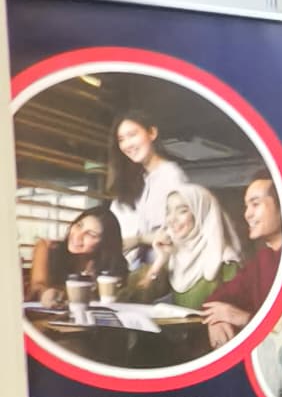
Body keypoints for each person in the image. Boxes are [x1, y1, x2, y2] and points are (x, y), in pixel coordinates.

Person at [202, 175, 282, 349]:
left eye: (256, 204)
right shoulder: (262, 260)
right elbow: (217, 297)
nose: (247, 214)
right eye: (247, 206)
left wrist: (243, 318)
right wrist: (216, 320)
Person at [105, 112, 196, 261]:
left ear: (152, 133)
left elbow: (179, 231)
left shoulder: (171, 176)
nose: (127, 144)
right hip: (127, 266)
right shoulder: (134, 178)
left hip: (163, 265)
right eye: (121, 139)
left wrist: (139, 239)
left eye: (132, 135)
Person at [134, 183, 239, 311]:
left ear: (201, 213)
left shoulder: (226, 262)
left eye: (182, 211)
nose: (171, 219)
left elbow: (233, 311)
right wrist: (159, 261)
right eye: (168, 212)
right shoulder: (174, 256)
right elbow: (140, 298)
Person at [29, 206, 127, 305]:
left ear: (104, 243)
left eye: (91, 234)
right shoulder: (47, 248)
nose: (77, 236)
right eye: (79, 226)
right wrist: (46, 294)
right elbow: (38, 287)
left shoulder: (107, 271)